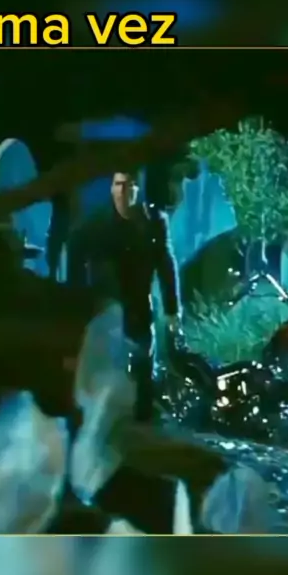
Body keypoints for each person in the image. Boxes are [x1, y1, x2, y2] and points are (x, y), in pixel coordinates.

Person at [67, 170, 183, 422]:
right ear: (112, 189)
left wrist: (172, 310)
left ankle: (142, 418)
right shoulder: (98, 224)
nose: (122, 192)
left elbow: (166, 265)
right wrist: (77, 297)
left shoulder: (153, 221)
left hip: (139, 306)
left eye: (128, 186)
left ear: (136, 190)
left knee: (143, 367)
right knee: (107, 367)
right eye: (118, 185)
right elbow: (75, 249)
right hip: (107, 307)